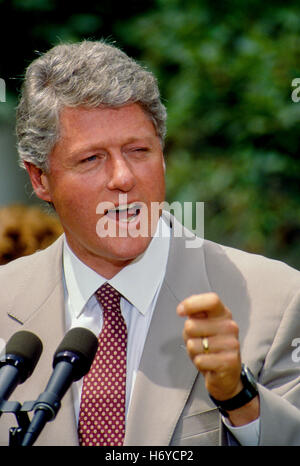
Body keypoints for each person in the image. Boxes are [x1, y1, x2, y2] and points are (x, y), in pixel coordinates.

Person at [0, 40, 299, 447]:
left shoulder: (277, 300)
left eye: (139, 150)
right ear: (40, 178)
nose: (123, 177)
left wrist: (239, 398)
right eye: (91, 159)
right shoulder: (5, 301)